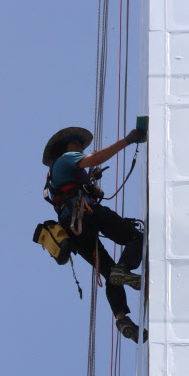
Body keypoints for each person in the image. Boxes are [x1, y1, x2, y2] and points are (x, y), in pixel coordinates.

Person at [43, 125, 147, 342]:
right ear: (65, 149)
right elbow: (94, 159)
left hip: (74, 231)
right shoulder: (66, 159)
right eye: (75, 143)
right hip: (85, 213)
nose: (79, 146)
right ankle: (125, 268)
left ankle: (122, 319)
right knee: (135, 238)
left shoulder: (61, 174)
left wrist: (89, 182)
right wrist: (128, 141)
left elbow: (79, 183)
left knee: (110, 274)